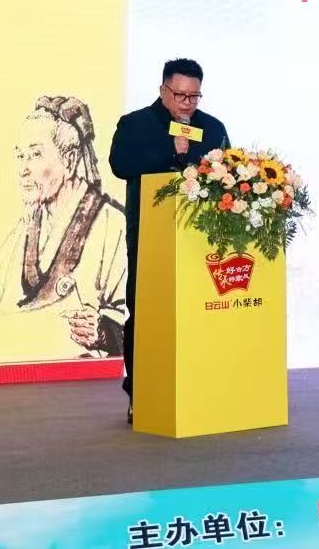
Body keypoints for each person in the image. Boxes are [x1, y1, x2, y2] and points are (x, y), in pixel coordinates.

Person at [0, 96, 128, 360]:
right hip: (18, 353)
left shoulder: (111, 225)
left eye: (35, 154)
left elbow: (135, 314)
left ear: (69, 160)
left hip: (77, 370)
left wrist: (102, 332)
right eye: (20, 156)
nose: (23, 169)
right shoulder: (29, 222)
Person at [109, 58, 230, 418]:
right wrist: (172, 152)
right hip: (150, 236)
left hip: (199, 242)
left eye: (194, 96)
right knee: (146, 313)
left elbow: (228, 173)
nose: (187, 104)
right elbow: (120, 165)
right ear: (163, 90)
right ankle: (141, 392)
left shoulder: (212, 127)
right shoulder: (135, 124)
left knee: (197, 312)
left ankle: (199, 387)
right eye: (180, 95)